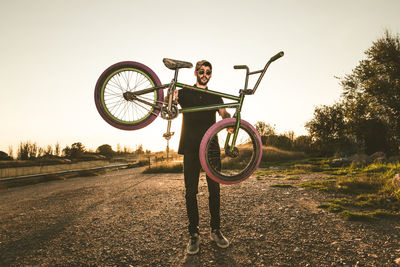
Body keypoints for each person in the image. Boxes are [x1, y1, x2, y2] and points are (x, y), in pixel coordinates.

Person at [174, 60, 231, 255]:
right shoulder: (185, 92)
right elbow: (170, 105)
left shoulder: (215, 96)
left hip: (211, 149)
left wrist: (229, 121)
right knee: (191, 192)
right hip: (190, 147)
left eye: (208, 72)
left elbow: (224, 112)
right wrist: (171, 97)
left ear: (210, 75)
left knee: (214, 190)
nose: (204, 74)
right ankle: (193, 234)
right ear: (196, 73)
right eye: (201, 71)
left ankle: (216, 230)